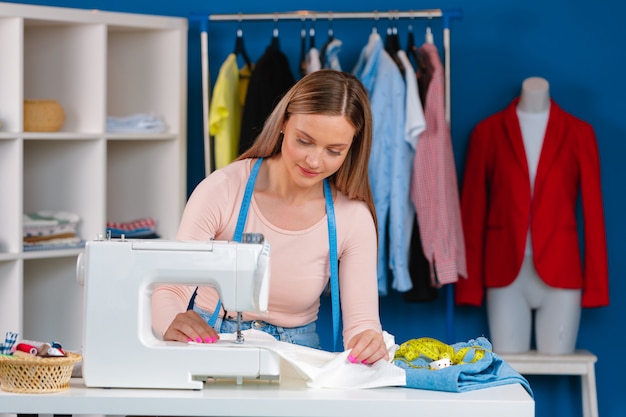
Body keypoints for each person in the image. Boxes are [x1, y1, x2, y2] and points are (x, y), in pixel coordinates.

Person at [152, 69, 389, 365]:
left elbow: (362, 324)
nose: (314, 161)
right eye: (304, 141)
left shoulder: (352, 217)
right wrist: (171, 321)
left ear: (352, 147)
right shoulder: (223, 189)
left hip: (297, 356)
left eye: (334, 150)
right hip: (212, 342)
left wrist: (368, 343)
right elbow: (171, 287)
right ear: (283, 124)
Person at [455, 76, 609, 354]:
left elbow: (594, 216)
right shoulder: (487, 133)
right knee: (507, 366)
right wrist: (469, 288)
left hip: (561, 272)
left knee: (559, 360)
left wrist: (596, 288)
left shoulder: (579, 133)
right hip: (505, 273)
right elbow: (472, 214)